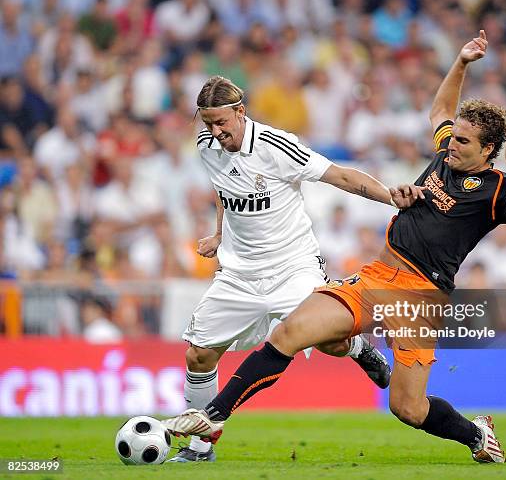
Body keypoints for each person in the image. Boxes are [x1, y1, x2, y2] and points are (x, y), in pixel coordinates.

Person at [162, 30, 506, 464]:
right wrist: (460, 63)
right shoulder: (446, 153)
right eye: (453, 136)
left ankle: (476, 436)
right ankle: (212, 416)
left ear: (489, 150)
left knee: (408, 408)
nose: (450, 144)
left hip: (420, 296)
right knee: (288, 332)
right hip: (377, 275)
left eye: (462, 141)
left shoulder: (497, 190)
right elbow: (441, 108)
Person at [168, 75, 399, 462]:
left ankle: (357, 347)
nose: (214, 130)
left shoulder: (277, 146)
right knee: (199, 356)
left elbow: (341, 176)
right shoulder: (207, 145)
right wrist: (219, 234)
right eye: (207, 122)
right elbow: (227, 190)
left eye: (221, 121)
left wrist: (395, 198)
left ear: (241, 112)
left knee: (329, 341)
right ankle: (200, 448)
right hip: (239, 273)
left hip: (293, 265)